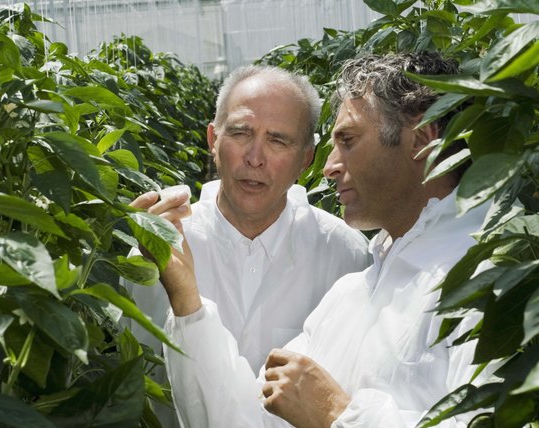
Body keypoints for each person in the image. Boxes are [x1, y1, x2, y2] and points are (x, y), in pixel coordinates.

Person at [147, 51, 493, 427]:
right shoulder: (352, 295)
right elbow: (246, 419)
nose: (329, 168)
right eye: (242, 133)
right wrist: (187, 301)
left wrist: (337, 416)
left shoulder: (484, 273)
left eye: (348, 140)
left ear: (422, 142)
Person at [124, 66, 370, 424]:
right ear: (213, 139)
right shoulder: (160, 250)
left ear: (306, 159)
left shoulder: (345, 255)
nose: (255, 157)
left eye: (278, 140)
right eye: (240, 133)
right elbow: (140, 389)